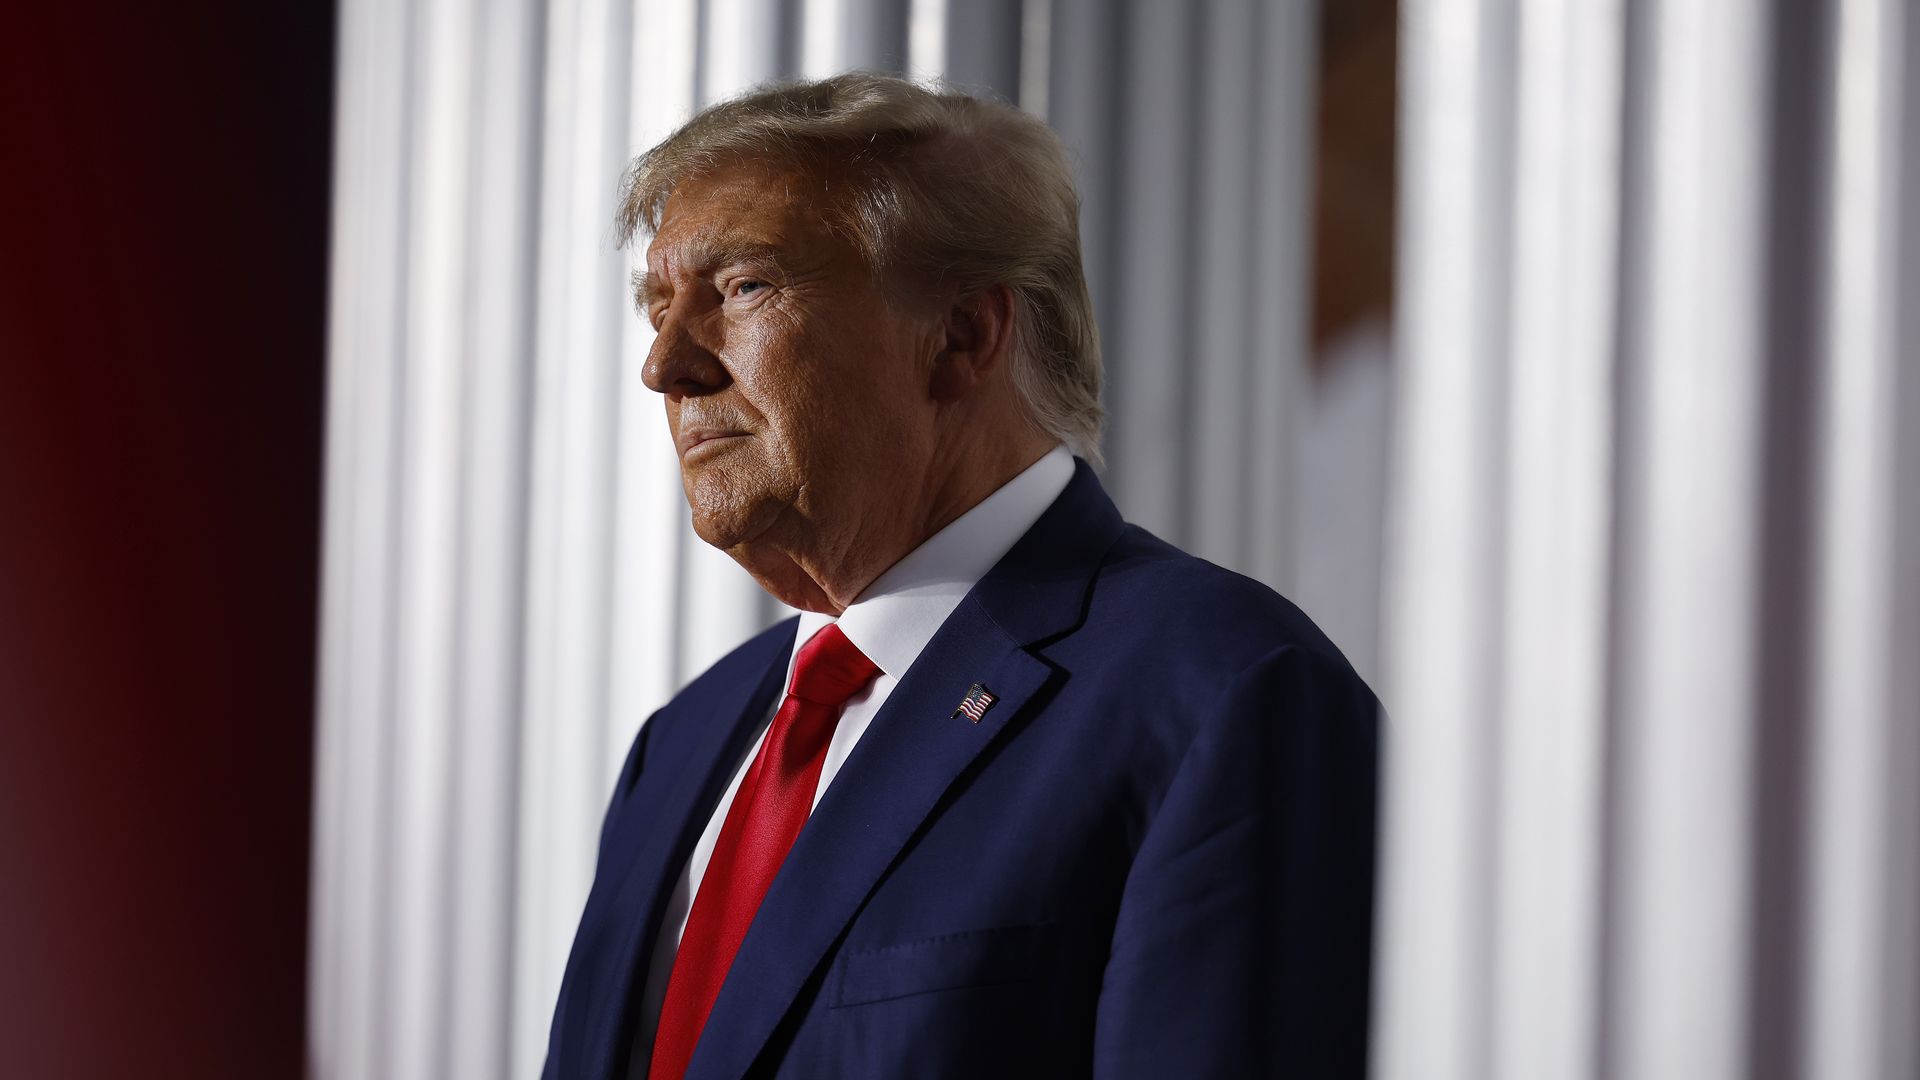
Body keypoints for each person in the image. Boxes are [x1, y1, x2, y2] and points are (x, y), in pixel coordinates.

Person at [543, 73, 1380, 1080]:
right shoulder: (682, 743)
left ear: (964, 335)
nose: (668, 365)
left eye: (745, 287)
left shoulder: (1228, 695)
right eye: (659, 306)